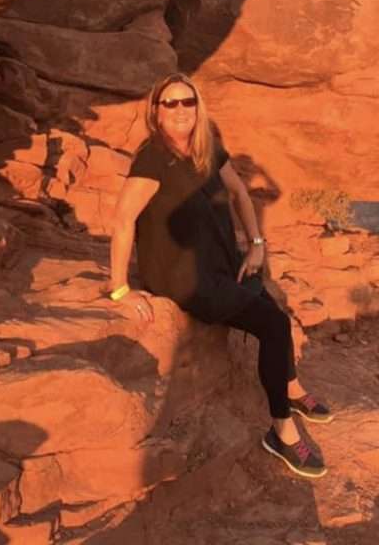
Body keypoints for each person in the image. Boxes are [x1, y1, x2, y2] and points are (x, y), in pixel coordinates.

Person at [107, 72, 333, 479]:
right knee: (274, 323)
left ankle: (292, 387)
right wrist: (119, 288)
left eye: (187, 102)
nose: (180, 111)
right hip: (182, 277)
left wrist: (257, 244)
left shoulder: (207, 150)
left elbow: (241, 194)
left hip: (218, 264)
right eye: (170, 104)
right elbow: (124, 219)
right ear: (156, 111)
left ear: (198, 107)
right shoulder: (153, 157)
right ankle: (281, 429)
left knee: (264, 294)